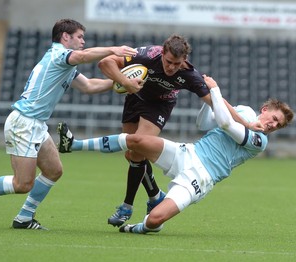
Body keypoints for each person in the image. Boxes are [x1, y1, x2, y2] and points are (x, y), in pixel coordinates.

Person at [57, 34, 264, 227]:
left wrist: (246, 125)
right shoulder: (148, 55)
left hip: (160, 106)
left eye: (177, 63)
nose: (172, 67)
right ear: (162, 53)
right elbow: (106, 63)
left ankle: (126, 206)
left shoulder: (189, 75)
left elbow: (217, 102)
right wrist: (125, 82)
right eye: (168, 62)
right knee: (132, 154)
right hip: (135, 96)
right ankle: (155, 195)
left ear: (184, 59)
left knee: (137, 148)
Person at [57, 75, 294, 234]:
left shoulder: (259, 140)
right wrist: (208, 100)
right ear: (265, 110)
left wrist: (213, 89)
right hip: (188, 153)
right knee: (137, 143)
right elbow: (203, 123)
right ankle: (74, 145)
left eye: (278, 125)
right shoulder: (243, 111)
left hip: (201, 177)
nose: (273, 125)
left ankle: (140, 225)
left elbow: (224, 123)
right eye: (274, 118)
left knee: (155, 220)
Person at [0, 19, 141, 230]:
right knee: (22, 184)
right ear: (65, 37)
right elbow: (82, 56)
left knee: (54, 170)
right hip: (24, 123)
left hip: (35, 124)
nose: (83, 41)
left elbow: (89, 85)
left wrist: (122, 81)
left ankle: (24, 218)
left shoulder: (64, 62)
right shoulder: (58, 55)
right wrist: (113, 50)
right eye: (79, 37)